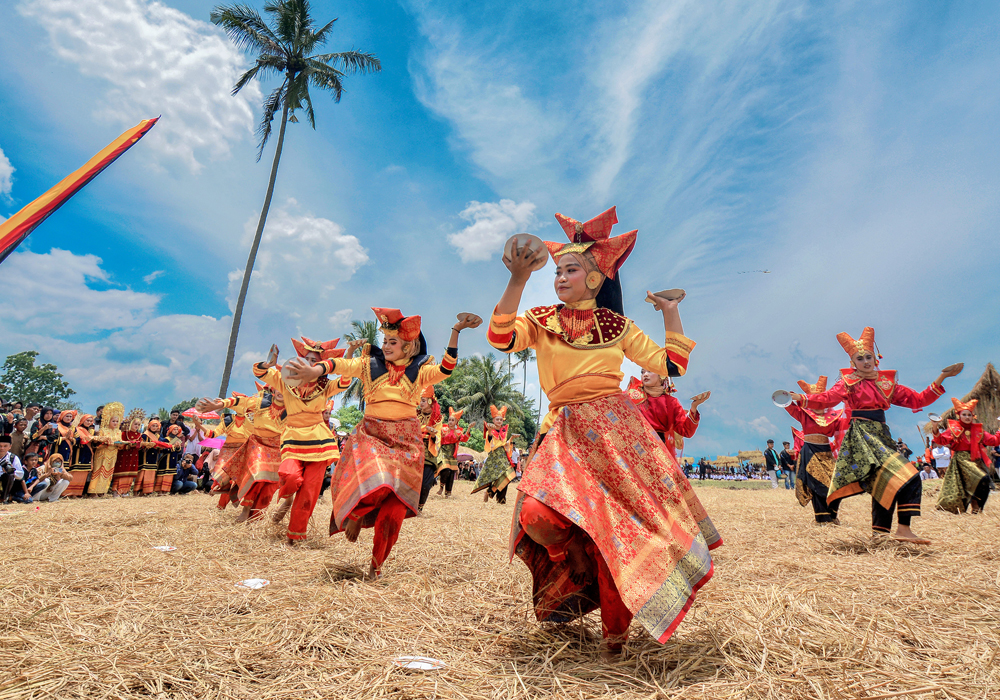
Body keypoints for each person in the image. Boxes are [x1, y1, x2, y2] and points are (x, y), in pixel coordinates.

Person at [487, 205, 721, 658]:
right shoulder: (541, 319)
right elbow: (500, 337)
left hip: (616, 432)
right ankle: (570, 564)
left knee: (618, 536)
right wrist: (516, 279)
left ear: (595, 279)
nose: (560, 277)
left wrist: (671, 312)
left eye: (570, 269)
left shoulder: (618, 326)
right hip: (563, 428)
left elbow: (671, 365)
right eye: (556, 271)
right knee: (537, 516)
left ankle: (616, 637)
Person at [313, 307, 479, 578]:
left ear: (409, 346)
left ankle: (375, 567)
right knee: (379, 480)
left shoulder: (420, 371)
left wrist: (456, 331)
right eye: (385, 341)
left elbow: (447, 368)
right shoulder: (369, 365)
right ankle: (357, 512)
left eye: (393, 342)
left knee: (393, 514)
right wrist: (317, 368)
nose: (386, 346)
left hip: (407, 445)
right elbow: (339, 365)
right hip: (372, 436)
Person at [789, 326, 961, 544]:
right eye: (860, 358)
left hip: (881, 435)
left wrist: (942, 377)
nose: (866, 361)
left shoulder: (886, 384)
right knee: (910, 476)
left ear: (875, 358)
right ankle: (903, 529)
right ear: (853, 363)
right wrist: (802, 399)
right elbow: (827, 399)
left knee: (885, 481)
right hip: (862, 436)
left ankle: (880, 534)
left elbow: (918, 400)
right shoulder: (848, 383)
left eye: (868, 357)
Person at [218, 336, 355, 543]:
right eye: (306, 359)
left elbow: (345, 381)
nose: (309, 363)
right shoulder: (285, 381)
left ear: (321, 366)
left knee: (309, 492)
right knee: (289, 476)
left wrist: (350, 354)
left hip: (319, 441)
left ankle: (295, 536)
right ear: (298, 361)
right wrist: (269, 363)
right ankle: (288, 497)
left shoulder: (325, 386)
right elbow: (261, 372)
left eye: (314, 361)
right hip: (293, 439)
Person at [783, 376, 848, 524]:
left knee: (835, 484)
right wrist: (786, 397)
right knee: (818, 484)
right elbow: (789, 405)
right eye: (814, 399)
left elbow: (844, 428)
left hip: (826, 452)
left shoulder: (834, 416)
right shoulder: (803, 414)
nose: (818, 403)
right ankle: (822, 518)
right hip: (810, 451)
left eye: (820, 399)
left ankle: (832, 515)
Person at [226, 388, 287, 523]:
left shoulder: (294, 407)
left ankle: (256, 516)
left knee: (270, 485)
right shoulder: (261, 402)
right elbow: (242, 402)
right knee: (258, 475)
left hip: (278, 449)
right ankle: (245, 510)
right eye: (279, 386)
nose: (281, 390)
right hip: (258, 444)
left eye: (286, 387)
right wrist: (221, 404)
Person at [932, 398, 999, 514]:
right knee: (980, 478)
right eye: (964, 415)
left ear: (973, 416)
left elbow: (993, 441)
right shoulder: (954, 429)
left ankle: (977, 508)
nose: (967, 417)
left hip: (976, 460)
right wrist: (934, 427)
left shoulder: (978, 430)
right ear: (959, 416)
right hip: (961, 461)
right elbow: (941, 440)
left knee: (983, 482)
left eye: (969, 415)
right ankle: (973, 507)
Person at [623, 371, 707, 459]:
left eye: (650, 371)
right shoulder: (631, 396)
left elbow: (686, 431)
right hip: (633, 448)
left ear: (662, 376)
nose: (645, 375)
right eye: (642, 372)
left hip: (657, 451)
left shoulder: (671, 402)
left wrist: (694, 407)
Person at [472, 405, 518, 503]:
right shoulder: (491, 429)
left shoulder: (504, 431)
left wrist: (512, 439)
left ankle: (493, 493)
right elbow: (488, 441)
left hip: (503, 455)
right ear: (493, 420)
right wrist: (489, 431)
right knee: (497, 476)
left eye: (501, 420)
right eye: (497, 419)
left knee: (508, 475)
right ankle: (497, 496)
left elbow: (505, 444)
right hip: (494, 456)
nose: (499, 421)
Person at [88, 402, 125, 496]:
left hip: (113, 453)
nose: (115, 423)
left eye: (117, 421)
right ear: (108, 420)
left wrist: (120, 444)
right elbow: (96, 439)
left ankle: (102, 491)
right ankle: (93, 492)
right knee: (98, 470)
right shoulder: (102, 430)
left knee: (109, 472)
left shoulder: (118, 432)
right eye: (113, 421)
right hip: (102, 453)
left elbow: (121, 443)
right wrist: (105, 440)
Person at [417, 385, 442, 512]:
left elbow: (438, 435)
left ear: (430, 401)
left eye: (423, 400)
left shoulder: (438, 418)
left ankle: (419, 508)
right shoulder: (414, 414)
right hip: (414, 448)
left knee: (426, 483)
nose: (420, 403)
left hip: (428, 451)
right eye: (420, 400)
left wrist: (432, 435)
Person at [437, 407, 471, 497]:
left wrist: (468, 429)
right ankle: (441, 486)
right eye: (449, 419)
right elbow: (437, 435)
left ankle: (448, 492)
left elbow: (464, 439)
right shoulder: (443, 429)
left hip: (452, 454)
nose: (450, 421)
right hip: (443, 452)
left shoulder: (458, 432)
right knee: (445, 469)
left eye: (453, 420)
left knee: (451, 473)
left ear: (456, 422)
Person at [110, 409, 144, 496]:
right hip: (123, 455)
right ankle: (116, 491)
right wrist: (128, 445)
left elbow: (141, 446)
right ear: (130, 424)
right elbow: (119, 444)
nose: (136, 426)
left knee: (130, 473)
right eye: (135, 424)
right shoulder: (124, 434)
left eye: (138, 425)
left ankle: (125, 491)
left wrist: (138, 445)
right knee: (121, 472)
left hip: (133, 456)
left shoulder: (139, 435)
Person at [65, 414, 97, 497]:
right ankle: (69, 493)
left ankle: (78, 493)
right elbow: (80, 440)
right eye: (87, 420)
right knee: (76, 473)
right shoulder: (78, 429)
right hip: (79, 453)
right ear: (83, 420)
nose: (89, 422)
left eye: (90, 421)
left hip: (87, 454)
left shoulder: (90, 431)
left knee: (83, 474)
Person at [136, 417, 166, 495]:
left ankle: (146, 491)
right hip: (145, 456)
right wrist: (147, 445)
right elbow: (140, 445)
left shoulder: (158, 436)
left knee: (151, 474)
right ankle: (137, 491)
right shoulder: (145, 435)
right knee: (142, 474)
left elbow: (162, 444)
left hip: (154, 457)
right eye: (153, 426)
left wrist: (160, 447)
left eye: (156, 426)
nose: (155, 428)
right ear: (149, 426)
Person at [1, 435, 31, 503]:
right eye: (0, 446)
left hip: (7, 483)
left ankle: (4, 498)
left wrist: (12, 470)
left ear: (10, 447)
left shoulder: (13, 458)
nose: (2, 448)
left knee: (10, 474)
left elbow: (20, 475)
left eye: (5, 446)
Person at [158, 425, 184, 494]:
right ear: (170, 430)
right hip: (165, 459)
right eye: (174, 429)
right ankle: (160, 491)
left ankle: (165, 491)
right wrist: (173, 446)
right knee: (163, 475)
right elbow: (163, 450)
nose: (176, 431)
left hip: (173, 460)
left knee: (169, 476)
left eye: (177, 429)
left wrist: (178, 447)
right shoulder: (166, 439)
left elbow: (179, 452)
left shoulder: (178, 440)